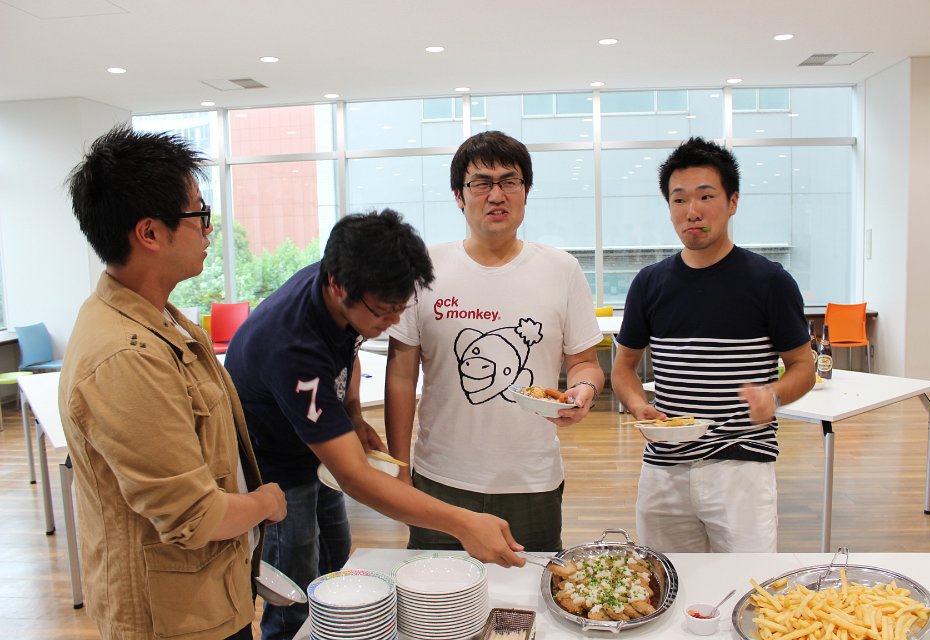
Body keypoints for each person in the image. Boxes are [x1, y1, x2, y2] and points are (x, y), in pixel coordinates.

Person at [224, 209, 524, 640]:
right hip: (274, 459)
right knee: (295, 585)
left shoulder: (346, 285)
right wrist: (463, 523)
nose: (393, 321)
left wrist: (351, 413)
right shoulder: (293, 345)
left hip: (314, 445)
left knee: (336, 560)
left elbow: (348, 348)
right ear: (338, 285)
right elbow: (355, 477)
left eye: (401, 307)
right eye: (384, 311)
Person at [61, 125, 287, 640]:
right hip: (173, 619)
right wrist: (265, 503)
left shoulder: (162, 319)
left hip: (208, 594)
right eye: (199, 214)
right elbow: (195, 516)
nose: (209, 229)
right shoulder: (125, 356)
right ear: (150, 233)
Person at [384, 131, 605, 553]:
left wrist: (584, 390)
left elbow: (585, 363)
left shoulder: (561, 269)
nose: (497, 195)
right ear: (459, 195)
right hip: (440, 478)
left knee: (530, 588)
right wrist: (399, 466)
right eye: (481, 183)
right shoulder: (423, 268)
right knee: (436, 589)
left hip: (532, 480)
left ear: (526, 191)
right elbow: (401, 375)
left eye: (509, 181)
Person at [611, 136, 815, 553]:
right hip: (664, 466)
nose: (693, 211)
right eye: (679, 199)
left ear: (732, 201)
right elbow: (623, 368)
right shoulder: (649, 283)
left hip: (742, 464)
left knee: (746, 579)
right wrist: (637, 405)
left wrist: (773, 395)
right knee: (668, 578)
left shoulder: (769, 281)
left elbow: (804, 367)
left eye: (706, 196)